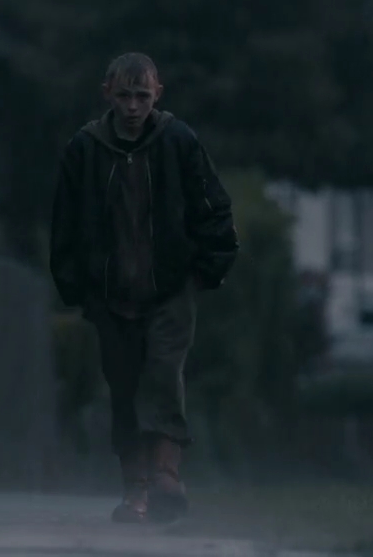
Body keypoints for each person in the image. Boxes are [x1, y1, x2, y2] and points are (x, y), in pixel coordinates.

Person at [49, 52, 238, 524]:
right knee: (124, 387)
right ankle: (135, 489)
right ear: (107, 93)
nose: (133, 106)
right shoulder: (85, 149)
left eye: (142, 96)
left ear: (158, 94)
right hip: (110, 295)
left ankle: (166, 477)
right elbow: (65, 223)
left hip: (170, 288)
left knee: (164, 376)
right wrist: (77, 287)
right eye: (124, 96)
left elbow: (212, 206)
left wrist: (206, 269)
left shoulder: (179, 141)